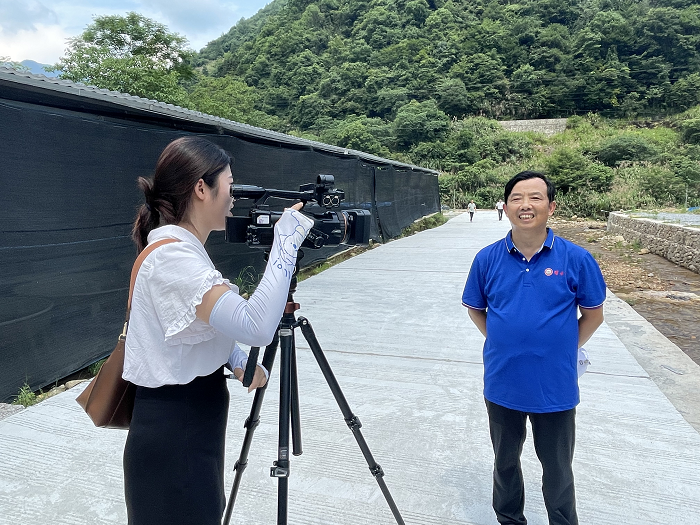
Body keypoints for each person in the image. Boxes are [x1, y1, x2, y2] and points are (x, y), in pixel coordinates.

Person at [122, 136, 314, 525]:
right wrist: (286, 243)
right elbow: (256, 325)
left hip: (190, 426)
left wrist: (235, 357)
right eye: (229, 185)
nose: (233, 197)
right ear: (201, 188)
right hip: (175, 435)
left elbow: (192, 326)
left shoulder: (183, 251)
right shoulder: (174, 258)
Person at [462, 171, 606, 525]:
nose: (525, 205)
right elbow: (476, 309)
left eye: (535, 197)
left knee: (558, 468)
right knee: (505, 463)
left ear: (551, 207)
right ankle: (509, 519)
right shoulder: (486, 259)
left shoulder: (577, 258)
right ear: (506, 206)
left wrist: (561, 348)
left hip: (555, 385)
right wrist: (501, 340)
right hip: (503, 382)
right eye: (517, 198)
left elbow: (593, 315)